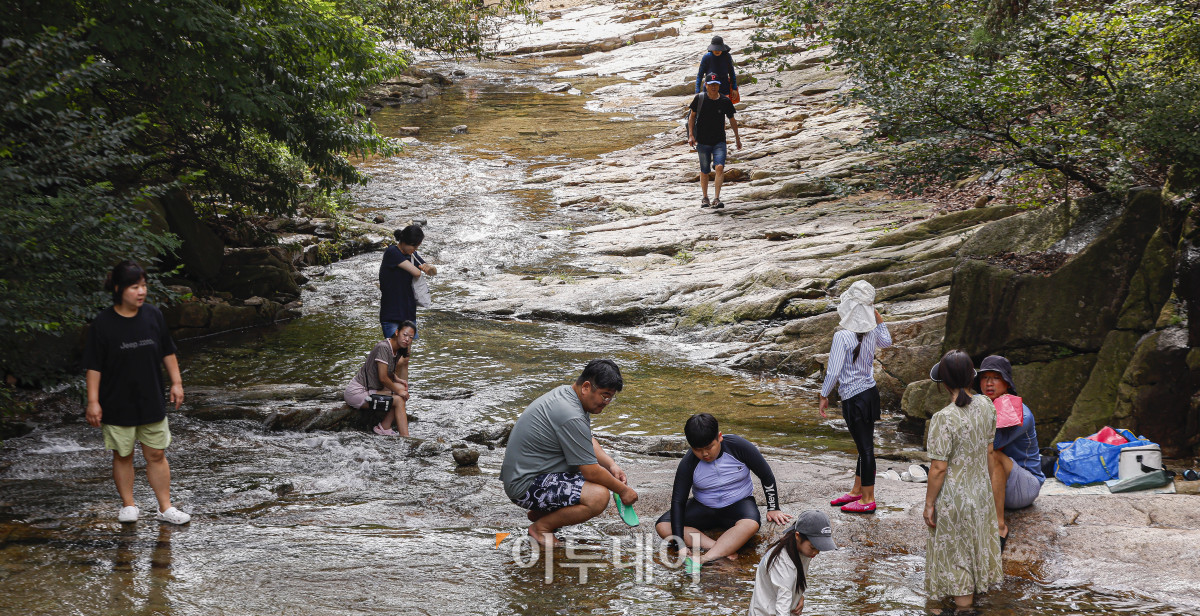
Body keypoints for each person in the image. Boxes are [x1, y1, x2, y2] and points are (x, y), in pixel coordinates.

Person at [82, 260, 191, 525]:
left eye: (143, 286)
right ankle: (129, 505)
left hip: (151, 397)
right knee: (123, 454)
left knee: (156, 454)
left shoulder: (154, 315)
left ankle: (165, 508)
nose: (141, 292)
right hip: (117, 401)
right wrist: (93, 401)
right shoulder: (103, 323)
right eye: (134, 287)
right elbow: (94, 366)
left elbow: (167, 350)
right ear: (118, 289)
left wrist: (177, 383)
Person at [500, 359, 636, 547]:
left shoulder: (568, 395)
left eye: (611, 397)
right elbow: (591, 471)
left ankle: (543, 513)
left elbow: (585, 439)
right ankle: (541, 527)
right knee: (598, 496)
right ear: (587, 387)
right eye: (605, 396)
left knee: (598, 479)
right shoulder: (570, 413)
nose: (607, 402)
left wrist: (611, 464)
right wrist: (623, 491)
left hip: (534, 473)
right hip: (525, 485)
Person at [924, 351, 1004, 613]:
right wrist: (988, 489)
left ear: (944, 382)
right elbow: (990, 452)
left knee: (957, 555)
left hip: (954, 499)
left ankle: (963, 607)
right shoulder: (987, 406)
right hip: (980, 493)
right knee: (974, 548)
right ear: (973, 376)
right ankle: (969, 604)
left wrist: (928, 504)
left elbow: (938, 468)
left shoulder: (943, 418)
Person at [655, 414, 791, 566]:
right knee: (663, 526)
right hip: (703, 508)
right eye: (698, 450)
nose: (705, 454)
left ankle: (705, 558)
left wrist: (773, 508)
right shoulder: (689, 463)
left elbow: (766, 476)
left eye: (709, 447)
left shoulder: (738, 447)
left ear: (719, 437)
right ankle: (719, 548)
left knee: (752, 524)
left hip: (738, 504)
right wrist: (680, 544)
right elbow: (678, 501)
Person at [818, 280, 892, 513]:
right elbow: (887, 342)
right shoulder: (871, 332)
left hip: (854, 397)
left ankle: (867, 499)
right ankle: (856, 491)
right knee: (864, 446)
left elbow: (833, 370)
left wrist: (823, 394)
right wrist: (878, 319)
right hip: (869, 394)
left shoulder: (842, 337)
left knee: (866, 448)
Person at [976, 355, 1043, 550]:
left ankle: (999, 527)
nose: (989, 383)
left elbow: (989, 444)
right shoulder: (981, 403)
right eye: (984, 377)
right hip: (997, 484)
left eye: (995, 378)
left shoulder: (1022, 414)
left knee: (992, 454)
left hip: (1025, 486)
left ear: (1006, 383)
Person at [747, 510, 837, 616]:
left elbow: (794, 579)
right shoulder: (782, 563)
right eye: (813, 547)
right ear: (798, 536)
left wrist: (798, 595)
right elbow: (782, 609)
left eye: (820, 547)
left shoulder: (802, 549)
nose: (816, 552)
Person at [344, 320, 416, 436]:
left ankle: (384, 427)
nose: (407, 339)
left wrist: (397, 379)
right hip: (358, 392)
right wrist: (399, 391)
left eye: (411, 337)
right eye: (405, 335)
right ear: (397, 332)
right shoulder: (384, 347)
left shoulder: (397, 350)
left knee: (401, 387)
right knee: (399, 399)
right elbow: (382, 378)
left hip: (371, 388)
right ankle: (406, 438)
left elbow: (388, 371)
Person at [688, 72, 741, 209]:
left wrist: (737, 138)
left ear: (719, 85)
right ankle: (705, 197)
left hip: (719, 141)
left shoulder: (724, 101)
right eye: (710, 84)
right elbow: (692, 116)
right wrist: (691, 135)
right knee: (704, 170)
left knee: (719, 167)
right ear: (706, 85)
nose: (713, 87)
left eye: (716, 84)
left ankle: (716, 198)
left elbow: (732, 120)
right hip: (703, 141)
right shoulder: (699, 98)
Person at [379, 225, 435, 339]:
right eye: (414, 246)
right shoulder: (392, 252)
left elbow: (432, 273)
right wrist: (421, 269)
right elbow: (416, 272)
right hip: (392, 314)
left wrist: (430, 268)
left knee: (406, 355)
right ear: (404, 242)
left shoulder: (412, 255)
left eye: (417, 246)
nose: (415, 249)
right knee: (394, 353)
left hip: (408, 313)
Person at [696, 35, 739, 102]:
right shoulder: (706, 58)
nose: (717, 50)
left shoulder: (727, 56)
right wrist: (697, 92)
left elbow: (732, 73)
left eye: (719, 48)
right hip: (709, 90)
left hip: (724, 88)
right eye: (715, 48)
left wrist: (734, 88)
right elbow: (700, 75)